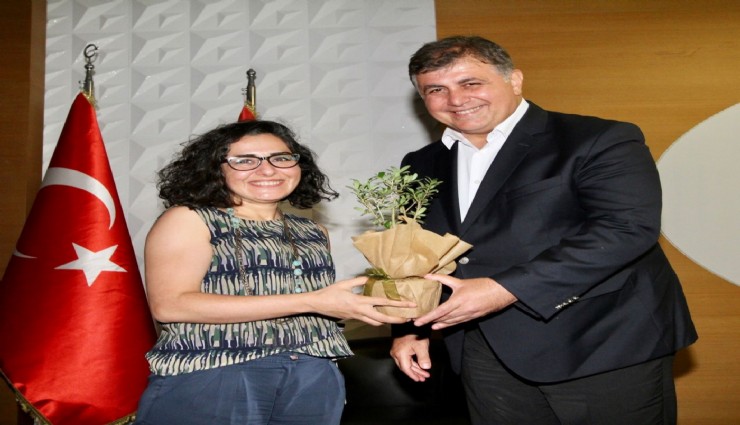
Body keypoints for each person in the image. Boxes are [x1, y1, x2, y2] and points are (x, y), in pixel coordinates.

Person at [390, 35, 697, 425]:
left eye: (471, 83)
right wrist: (409, 328)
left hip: (601, 342)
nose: (456, 99)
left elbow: (626, 229)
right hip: (483, 351)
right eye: (436, 89)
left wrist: (505, 288)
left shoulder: (598, 139)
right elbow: (413, 249)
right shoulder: (421, 163)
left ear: (514, 80)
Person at [133, 120, 415, 425]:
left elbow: (318, 308)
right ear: (215, 169)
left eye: (281, 158)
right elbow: (171, 306)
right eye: (245, 161)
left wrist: (374, 305)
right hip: (216, 369)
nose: (267, 170)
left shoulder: (313, 231)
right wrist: (312, 301)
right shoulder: (189, 219)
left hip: (313, 375)